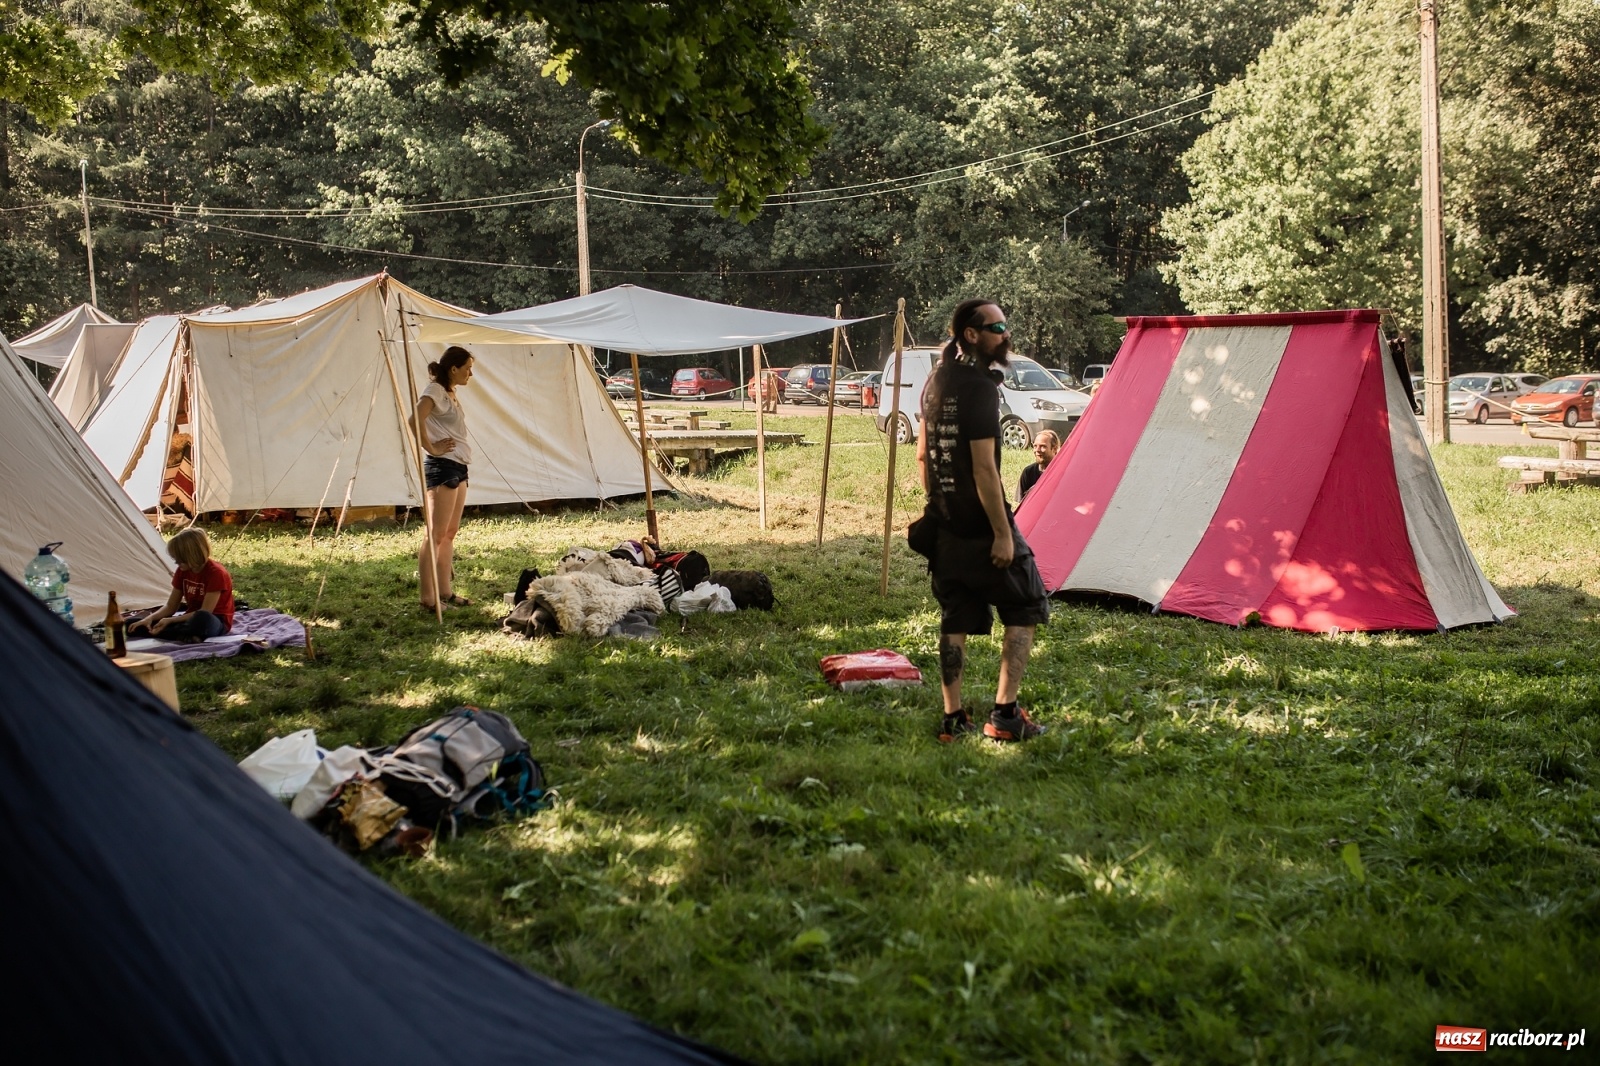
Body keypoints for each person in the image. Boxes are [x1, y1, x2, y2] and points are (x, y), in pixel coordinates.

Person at [917, 299, 1051, 743]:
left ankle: (952, 719)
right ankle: (1005, 715)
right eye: (997, 327)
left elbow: (923, 455)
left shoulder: (934, 383)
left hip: (944, 522)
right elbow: (984, 469)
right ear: (971, 335)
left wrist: (936, 504)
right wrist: (1001, 533)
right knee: (1026, 602)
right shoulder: (978, 388)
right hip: (979, 524)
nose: (1004, 333)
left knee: (955, 615)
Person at [415, 346, 475, 611]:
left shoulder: (451, 393)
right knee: (435, 534)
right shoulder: (435, 390)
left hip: (458, 466)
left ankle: (446, 593)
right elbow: (414, 418)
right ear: (453, 368)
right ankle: (428, 598)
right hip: (442, 466)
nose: (470, 374)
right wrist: (432, 447)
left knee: (450, 533)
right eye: (467, 368)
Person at [129, 528, 236, 642]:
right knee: (132, 623)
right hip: (187, 619)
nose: (176, 563)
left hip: (214, 621)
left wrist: (170, 621)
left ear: (191, 556)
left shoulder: (216, 573)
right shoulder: (182, 571)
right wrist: (149, 619)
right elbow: (171, 606)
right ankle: (183, 635)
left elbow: (206, 611)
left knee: (202, 618)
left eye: (179, 560)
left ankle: (170, 633)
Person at [1017, 429, 1060, 501]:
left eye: (1043, 446)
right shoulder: (1028, 472)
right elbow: (1022, 505)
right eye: (1035, 446)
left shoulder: (1063, 471)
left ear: (1054, 449)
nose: (1037, 450)